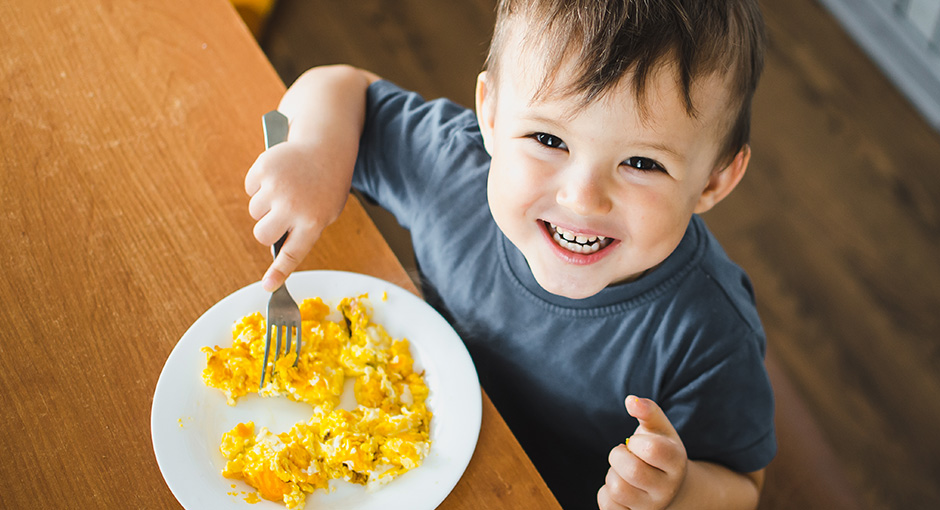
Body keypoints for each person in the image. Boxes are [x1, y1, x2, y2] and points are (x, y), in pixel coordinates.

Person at [244, 0, 774, 508]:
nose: (582, 199)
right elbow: (341, 86)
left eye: (641, 163)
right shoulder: (453, 169)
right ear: (491, 115)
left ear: (714, 180)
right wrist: (315, 153)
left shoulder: (711, 333)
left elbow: (742, 483)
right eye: (549, 139)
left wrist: (677, 492)